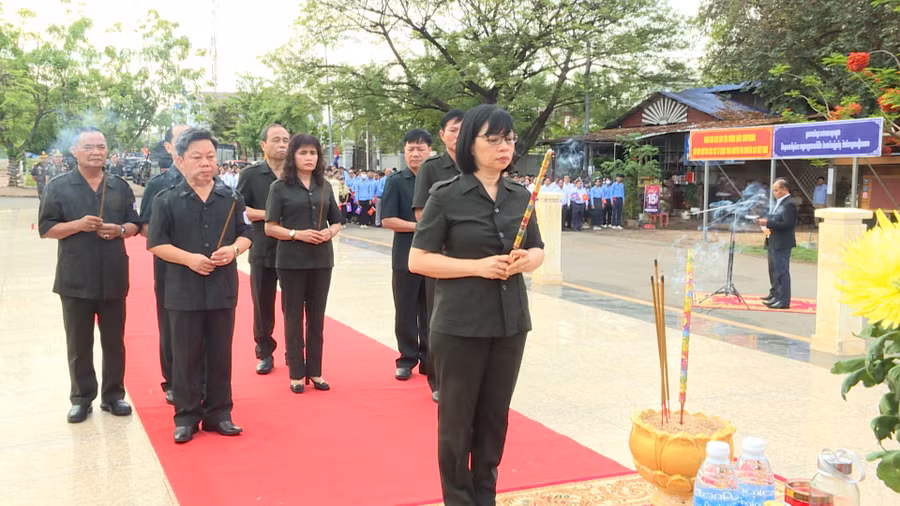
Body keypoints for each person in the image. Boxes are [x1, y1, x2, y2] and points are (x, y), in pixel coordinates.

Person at [409, 105, 545, 505]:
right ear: (471, 142)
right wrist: (478, 267)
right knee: (456, 423)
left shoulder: (520, 195)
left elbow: (537, 248)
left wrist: (528, 260)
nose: (505, 147)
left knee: (493, 419)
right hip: (460, 325)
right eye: (494, 139)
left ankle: (485, 496)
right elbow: (419, 260)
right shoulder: (447, 195)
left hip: (509, 324)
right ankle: (458, 499)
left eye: (510, 139)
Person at [148, 128, 251, 444]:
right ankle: (186, 416)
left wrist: (233, 250)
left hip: (222, 287)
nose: (206, 163)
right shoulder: (165, 200)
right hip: (183, 289)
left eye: (210, 157)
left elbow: (248, 234)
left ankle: (220, 413)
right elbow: (156, 244)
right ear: (179, 160)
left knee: (220, 353)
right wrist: (189, 259)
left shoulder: (231, 198)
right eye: (197, 157)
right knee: (185, 354)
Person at [38, 127, 142, 423]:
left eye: (101, 147)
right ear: (75, 151)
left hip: (112, 274)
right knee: (78, 342)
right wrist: (78, 225)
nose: (96, 152)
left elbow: (134, 224)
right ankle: (82, 398)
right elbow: (47, 229)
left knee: (114, 340)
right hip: (75, 277)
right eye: (89, 147)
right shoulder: (57, 186)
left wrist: (120, 230)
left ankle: (114, 396)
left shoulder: (120, 186)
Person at [264, 134, 342, 394]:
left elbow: (337, 221)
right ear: (293, 156)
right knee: (294, 317)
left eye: (313, 153)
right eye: (303, 153)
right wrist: (296, 234)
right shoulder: (280, 187)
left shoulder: (325, 186)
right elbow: (270, 227)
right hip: (291, 260)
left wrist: (329, 233)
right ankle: (296, 373)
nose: (309, 158)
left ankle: (316, 371)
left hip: (321, 260)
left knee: (317, 317)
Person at [382, 128, 437, 396]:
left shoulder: (439, 179)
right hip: (404, 256)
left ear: (430, 151)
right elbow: (387, 220)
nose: (415, 154)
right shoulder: (396, 181)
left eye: (420, 149)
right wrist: (421, 227)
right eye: (410, 149)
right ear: (404, 152)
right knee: (405, 310)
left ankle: (429, 358)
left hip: (434, 257)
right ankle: (406, 358)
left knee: (431, 310)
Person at [140, 125, 190, 405]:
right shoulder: (158, 185)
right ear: (169, 147)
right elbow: (145, 227)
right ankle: (172, 381)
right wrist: (177, 246)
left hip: (207, 267)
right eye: (180, 141)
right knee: (170, 325)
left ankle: (202, 380)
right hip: (170, 267)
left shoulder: (212, 181)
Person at [238, 124, 290, 375]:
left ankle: (295, 351)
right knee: (262, 303)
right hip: (263, 247)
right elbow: (240, 208)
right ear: (263, 145)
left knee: (293, 304)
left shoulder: (297, 173)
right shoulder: (251, 174)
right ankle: (265, 351)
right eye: (276, 140)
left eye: (286, 140)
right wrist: (272, 216)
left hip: (294, 249)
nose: (282, 145)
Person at [758, 179, 796, 310]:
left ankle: (784, 300)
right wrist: (766, 221)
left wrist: (768, 223)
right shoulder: (778, 203)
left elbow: (788, 224)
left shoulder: (789, 204)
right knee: (773, 270)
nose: (774, 193)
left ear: (784, 189)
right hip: (773, 240)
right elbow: (775, 218)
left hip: (782, 242)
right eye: (773, 190)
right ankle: (776, 294)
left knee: (782, 271)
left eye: (776, 190)